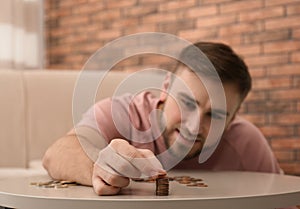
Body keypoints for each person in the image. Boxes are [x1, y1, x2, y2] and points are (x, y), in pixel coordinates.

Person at [42, 42, 283, 196]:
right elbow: (57, 153)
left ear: (231, 121)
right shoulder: (122, 113)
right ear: (165, 88)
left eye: (215, 116)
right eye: (187, 103)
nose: (194, 126)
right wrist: (99, 167)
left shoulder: (246, 142)